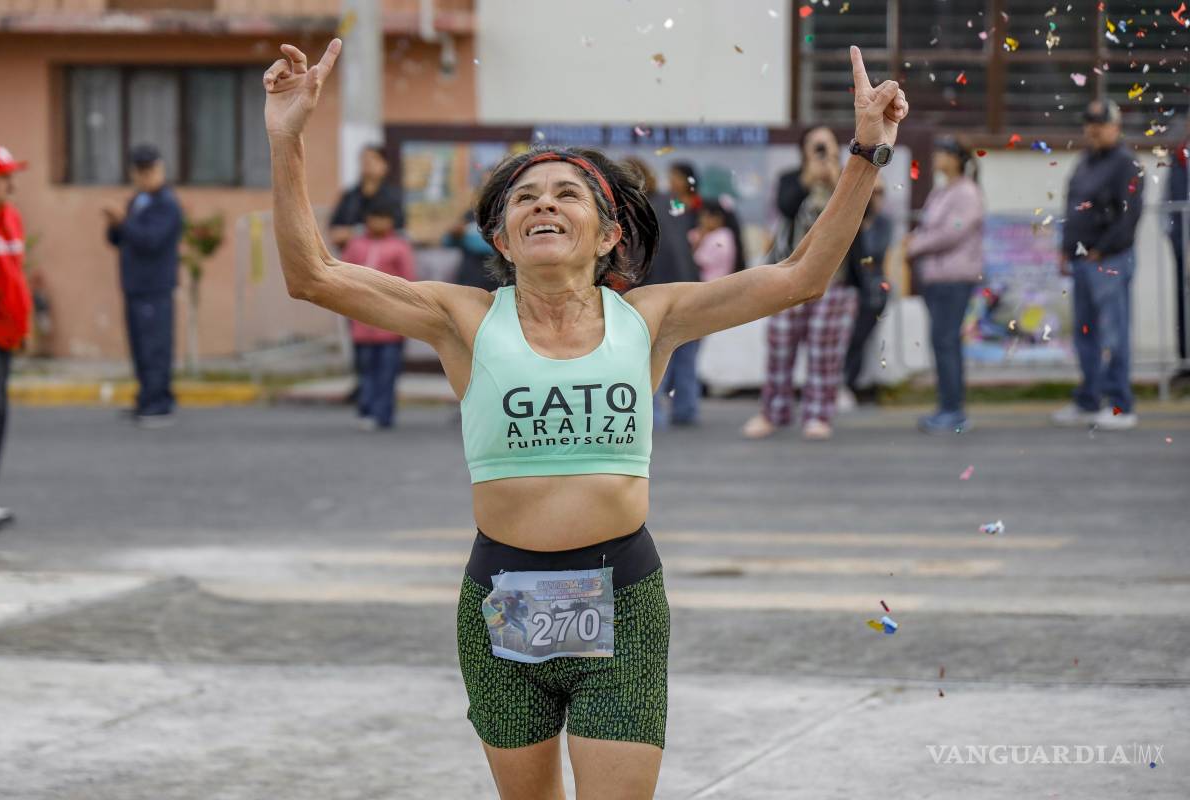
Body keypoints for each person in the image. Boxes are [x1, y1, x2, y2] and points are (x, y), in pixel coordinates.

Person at [263, 39, 906, 798]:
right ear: (501, 239)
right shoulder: (461, 318)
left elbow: (802, 277)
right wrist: (288, 140)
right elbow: (313, 277)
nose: (543, 203)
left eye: (567, 194)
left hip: (625, 603)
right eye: (525, 198)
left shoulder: (650, 317)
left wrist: (865, 151)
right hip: (500, 601)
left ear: (607, 237)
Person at [743, 125, 866, 441]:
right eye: (816, 147)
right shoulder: (791, 178)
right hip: (788, 277)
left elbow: (865, 216)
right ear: (803, 150)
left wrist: (838, 177)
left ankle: (818, 414)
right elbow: (785, 206)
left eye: (827, 146)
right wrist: (809, 177)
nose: (823, 153)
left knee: (825, 354)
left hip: (835, 281)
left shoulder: (847, 178)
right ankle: (774, 412)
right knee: (780, 348)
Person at [1053, 99, 1143, 431]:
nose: (1092, 129)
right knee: (1085, 334)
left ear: (1115, 127)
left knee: (1114, 335)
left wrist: (1101, 250)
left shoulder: (1125, 164)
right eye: (1089, 123)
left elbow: (1129, 215)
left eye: (1100, 123)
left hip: (1109, 260)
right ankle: (1089, 399)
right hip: (1082, 259)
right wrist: (1065, 249)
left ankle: (1121, 404)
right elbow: (1073, 205)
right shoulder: (1085, 161)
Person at [904, 135, 984, 434]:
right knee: (942, 343)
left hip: (954, 277)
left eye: (943, 152)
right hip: (937, 277)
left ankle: (954, 410)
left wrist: (916, 245)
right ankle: (947, 406)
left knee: (947, 342)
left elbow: (954, 232)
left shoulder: (966, 192)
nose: (936, 157)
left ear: (956, 158)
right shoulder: (942, 192)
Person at [105, 144, 184, 429]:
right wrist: (115, 224)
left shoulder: (167, 203)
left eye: (150, 170)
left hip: (155, 287)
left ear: (160, 169)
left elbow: (150, 241)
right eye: (140, 170)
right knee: (139, 346)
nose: (145, 176)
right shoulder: (137, 200)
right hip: (134, 285)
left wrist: (123, 223)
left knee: (155, 346)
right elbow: (118, 240)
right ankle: (146, 398)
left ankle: (158, 403)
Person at [623, 156, 701, 428]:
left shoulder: (635, 213)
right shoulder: (671, 202)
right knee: (686, 353)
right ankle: (687, 409)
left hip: (655, 290)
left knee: (654, 355)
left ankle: (654, 417)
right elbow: (691, 227)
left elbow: (634, 257)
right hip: (690, 286)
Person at [341, 192, 416, 430]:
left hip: (390, 320)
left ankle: (383, 413)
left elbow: (408, 281)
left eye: (384, 218)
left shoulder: (399, 246)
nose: (379, 224)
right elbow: (344, 275)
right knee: (365, 367)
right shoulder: (356, 245)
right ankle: (366, 408)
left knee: (387, 369)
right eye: (374, 218)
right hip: (361, 318)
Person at [0, 145, 33, 532]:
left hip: (4, 338)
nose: (10, 184)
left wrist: (20, 330)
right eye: (2, 176)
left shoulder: (11, 219)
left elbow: (12, 280)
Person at [843, 178, 892, 407]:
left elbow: (872, 253)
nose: (877, 197)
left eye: (880, 192)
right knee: (847, 338)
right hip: (851, 290)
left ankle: (848, 383)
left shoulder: (881, 223)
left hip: (872, 292)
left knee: (858, 338)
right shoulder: (850, 219)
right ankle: (845, 383)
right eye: (873, 192)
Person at [328, 143, 405, 250]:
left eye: (374, 158)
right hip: (351, 259)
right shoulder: (350, 196)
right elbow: (334, 232)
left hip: (384, 259)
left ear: (385, 165)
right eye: (364, 158)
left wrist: (354, 233)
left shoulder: (393, 196)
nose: (368, 162)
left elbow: (397, 230)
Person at [1164, 113, 1190, 379]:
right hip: (1182, 244)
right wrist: (1172, 235)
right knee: (1182, 303)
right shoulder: (1179, 156)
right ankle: (1185, 360)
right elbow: (1167, 201)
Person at [667, 161, 702, 227]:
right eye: (672, 177)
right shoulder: (670, 200)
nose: (673, 181)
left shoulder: (697, 201)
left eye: (678, 178)